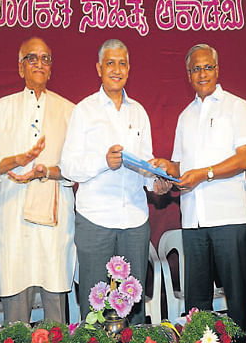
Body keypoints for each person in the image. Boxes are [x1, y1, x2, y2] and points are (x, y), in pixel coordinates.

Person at [151, 44, 246, 336]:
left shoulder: (236, 106)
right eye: (196, 69)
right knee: (196, 302)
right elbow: (179, 166)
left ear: (217, 70)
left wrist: (204, 174)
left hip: (229, 217)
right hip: (193, 219)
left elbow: (244, 158)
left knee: (236, 299)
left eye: (207, 67)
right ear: (188, 75)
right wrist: (164, 168)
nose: (202, 73)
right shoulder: (185, 116)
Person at [60, 39, 166, 324]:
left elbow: (146, 164)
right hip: (95, 221)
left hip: (134, 221)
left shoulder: (139, 112)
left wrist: (156, 181)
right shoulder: (84, 110)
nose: (116, 69)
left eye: (122, 63)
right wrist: (102, 161)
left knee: (132, 307)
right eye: (110, 63)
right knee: (95, 309)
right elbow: (68, 167)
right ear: (99, 68)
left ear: (129, 68)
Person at [0, 37, 76, 324]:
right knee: (16, 313)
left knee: (55, 309)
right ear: (20, 67)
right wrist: (17, 160)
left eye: (45, 59)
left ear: (51, 68)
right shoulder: (4, 107)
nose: (39, 64)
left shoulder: (69, 110)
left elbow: (77, 168)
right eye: (31, 58)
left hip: (54, 221)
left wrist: (46, 171)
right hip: (14, 218)